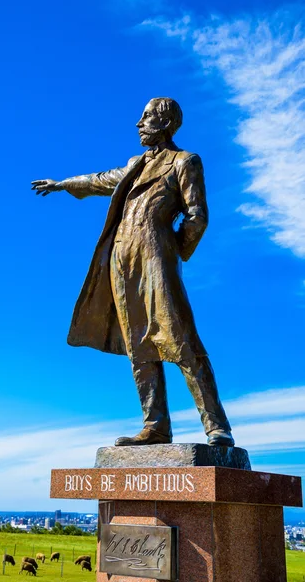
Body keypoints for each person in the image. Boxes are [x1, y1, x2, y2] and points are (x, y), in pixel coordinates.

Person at [32, 97, 234, 447]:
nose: (138, 124)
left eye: (145, 117)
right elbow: (99, 180)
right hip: (122, 263)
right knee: (138, 345)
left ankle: (216, 426)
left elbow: (197, 216)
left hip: (157, 261)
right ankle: (155, 425)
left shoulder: (184, 162)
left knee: (180, 339)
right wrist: (63, 183)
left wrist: (172, 250)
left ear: (165, 122)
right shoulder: (134, 165)